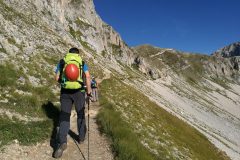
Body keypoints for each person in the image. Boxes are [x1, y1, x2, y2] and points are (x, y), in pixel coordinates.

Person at [53, 47, 92, 158]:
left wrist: (63, 81)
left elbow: (56, 78)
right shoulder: (82, 62)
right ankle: (81, 137)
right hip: (79, 92)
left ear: (69, 53)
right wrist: (88, 91)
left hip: (65, 92)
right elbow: (88, 76)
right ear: (78, 54)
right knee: (80, 114)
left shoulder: (62, 61)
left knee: (64, 116)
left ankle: (62, 142)